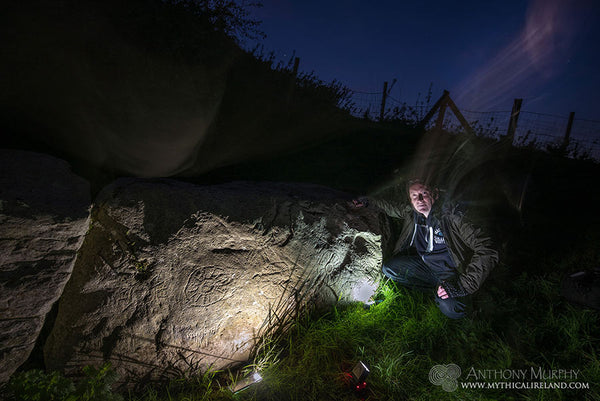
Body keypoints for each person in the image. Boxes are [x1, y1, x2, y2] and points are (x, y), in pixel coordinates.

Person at [352, 179, 498, 318]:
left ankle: (455, 294)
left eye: (424, 194)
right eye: (414, 196)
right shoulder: (414, 214)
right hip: (428, 268)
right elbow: (391, 207)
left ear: (435, 193)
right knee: (390, 269)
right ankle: (438, 290)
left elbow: (487, 249)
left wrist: (463, 285)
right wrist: (367, 202)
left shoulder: (453, 217)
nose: (419, 200)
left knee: (455, 309)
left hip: (453, 274)